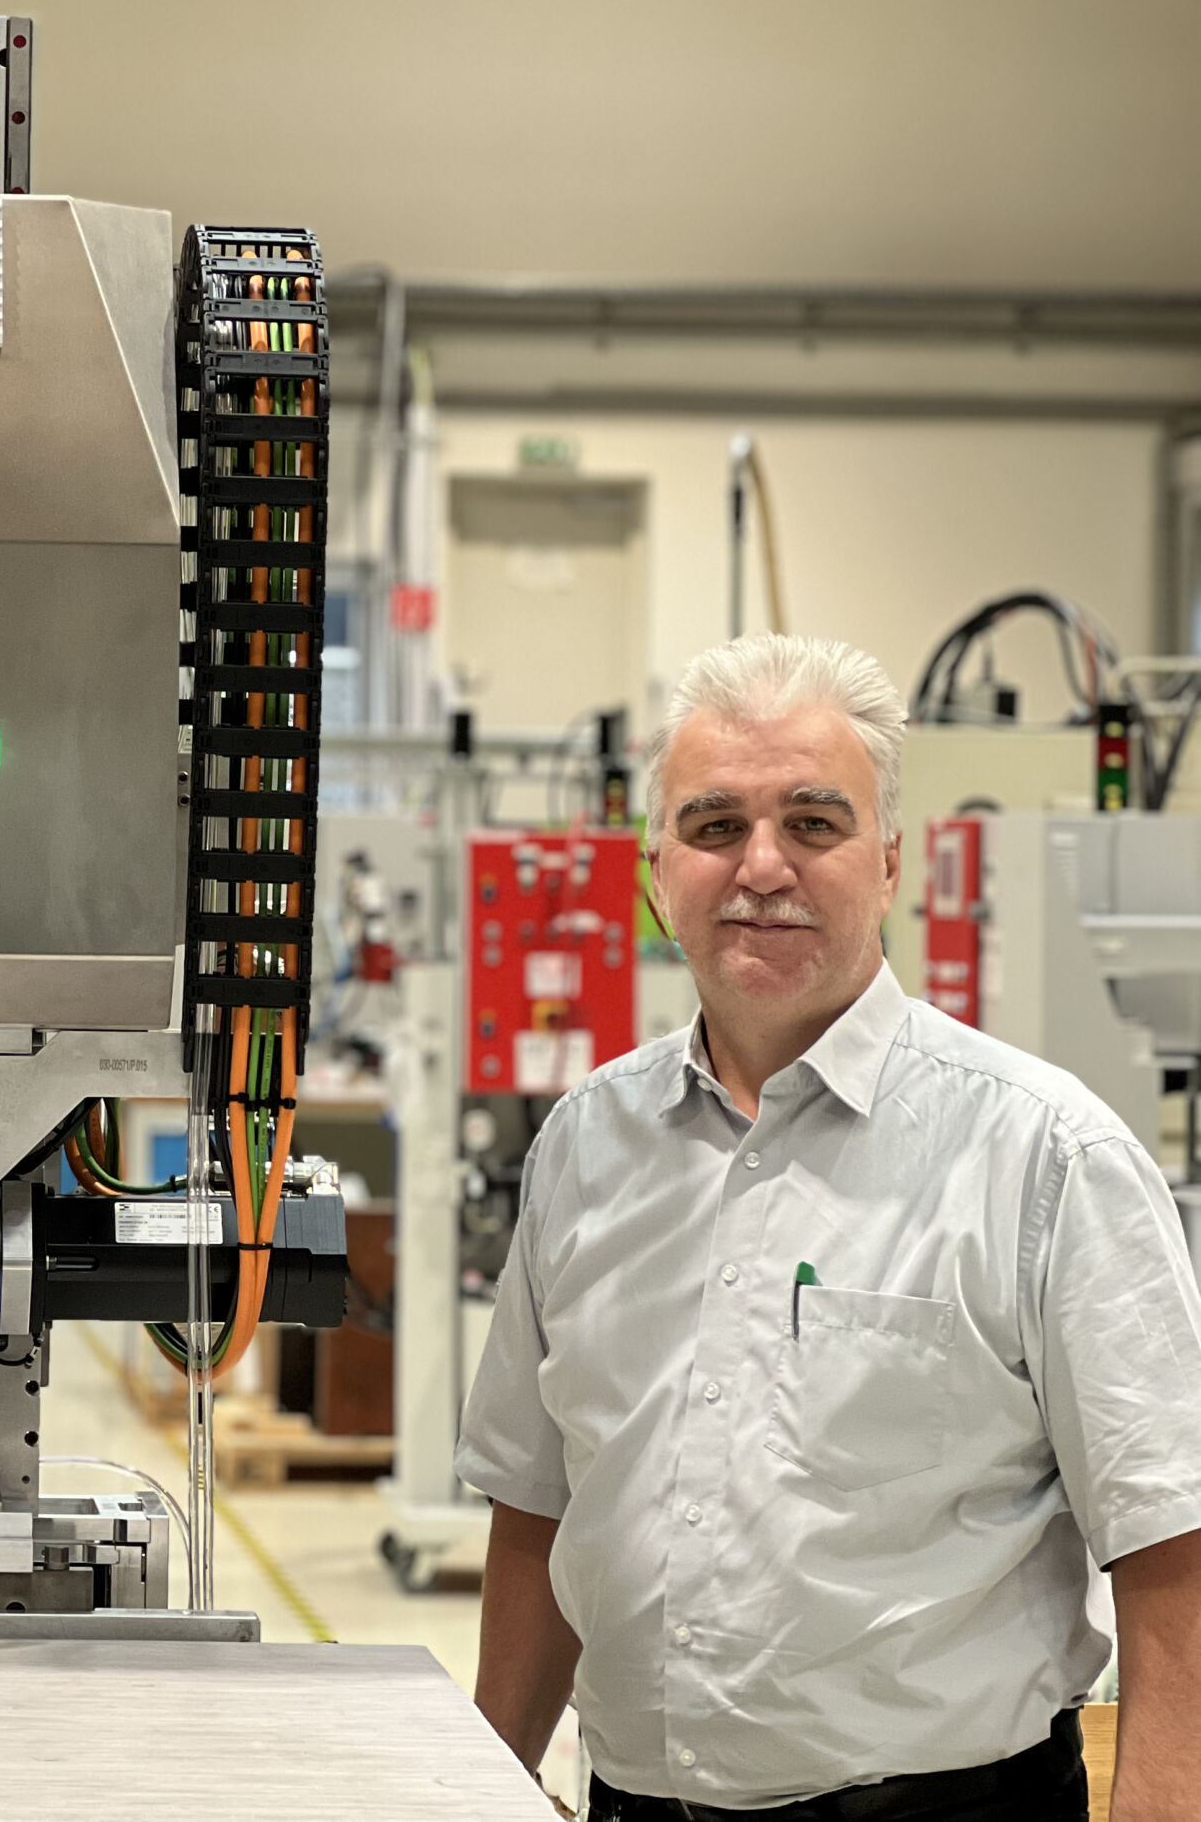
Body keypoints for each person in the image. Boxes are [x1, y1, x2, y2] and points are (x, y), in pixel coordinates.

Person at [459, 634, 1201, 1821]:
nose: (761, 867)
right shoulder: (585, 1148)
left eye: (812, 823)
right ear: (656, 875)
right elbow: (537, 1509)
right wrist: (482, 1788)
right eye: (713, 826)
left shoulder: (1045, 1158)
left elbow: (1172, 1553)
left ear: (889, 862)